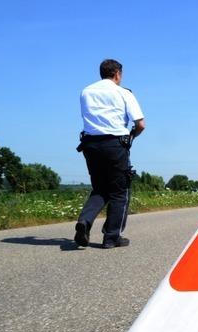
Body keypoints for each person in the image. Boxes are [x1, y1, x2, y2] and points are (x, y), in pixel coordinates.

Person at [74, 59, 145, 249]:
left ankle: (85, 222)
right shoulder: (123, 93)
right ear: (117, 74)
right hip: (115, 145)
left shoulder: (86, 92)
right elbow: (140, 124)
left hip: (90, 145)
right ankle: (111, 237)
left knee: (100, 189)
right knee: (120, 191)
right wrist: (131, 137)